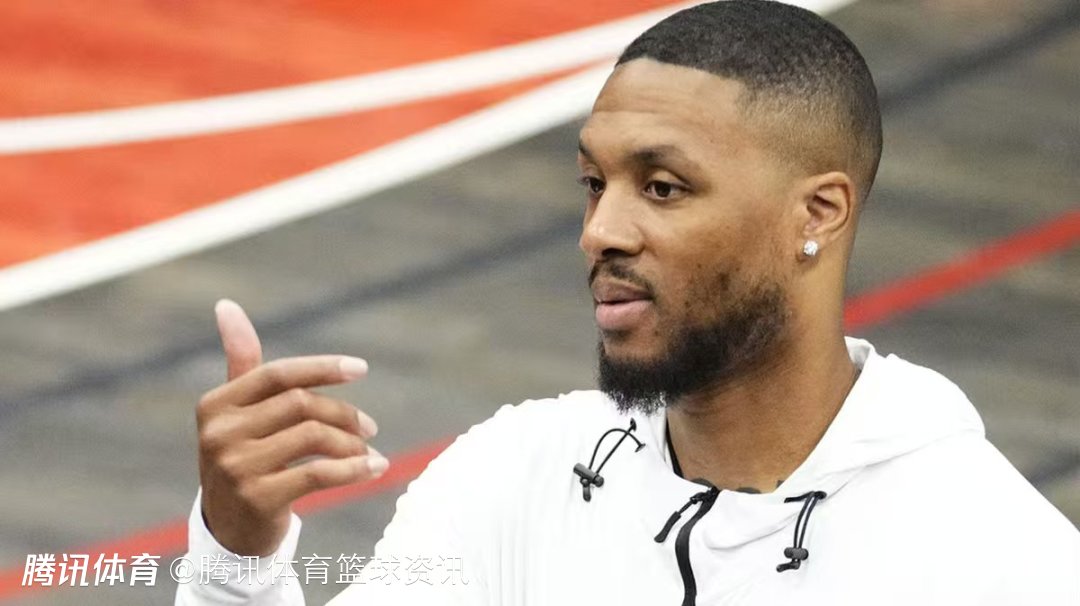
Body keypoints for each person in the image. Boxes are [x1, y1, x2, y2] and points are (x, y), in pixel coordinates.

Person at [175, 1, 1080, 604]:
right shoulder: (512, 473)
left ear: (818, 214)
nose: (600, 230)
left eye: (662, 188)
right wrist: (237, 557)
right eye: (593, 183)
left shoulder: (999, 563)